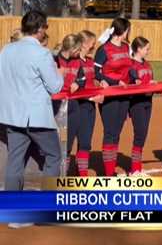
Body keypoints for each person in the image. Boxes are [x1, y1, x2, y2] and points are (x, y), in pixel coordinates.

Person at [0, 10, 64, 193]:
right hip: (36, 117)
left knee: (15, 160)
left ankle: (13, 210)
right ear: (39, 29)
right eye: (44, 27)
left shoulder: (6, 50)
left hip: (11, 115)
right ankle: (45, 206)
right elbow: (55, 87)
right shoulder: (42, 53)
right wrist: (59, 75)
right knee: (53, 156)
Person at [94, 18, 132, 176]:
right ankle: (108, 172)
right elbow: (97, 72)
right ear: (122, 31)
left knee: (116, 131)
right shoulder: (104, 49)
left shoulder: (126, 47)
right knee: (110, 132)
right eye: (128, 30)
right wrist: (114, 81)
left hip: (124, 94)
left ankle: (111, 167)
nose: (128, 33)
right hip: (110, 94)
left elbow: (130, 68)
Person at [68, 30, 99, 176]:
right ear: (84, 44)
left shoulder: (90, 61)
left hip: (89, 106)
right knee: (68, 144)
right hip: (74, 106)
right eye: (92, 43)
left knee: (85, 142)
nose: (94, 46)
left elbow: (96, 79)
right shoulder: (73, 62)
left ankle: (82, 175)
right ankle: (64, 174)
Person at [128, 37, 156, 176]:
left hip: (148, 101)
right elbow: (133, 82)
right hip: (136, 103)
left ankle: (137, 168)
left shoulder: (147, 64)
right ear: (138, 49)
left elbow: (150, 81)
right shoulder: (131, 65)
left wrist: (159, 87)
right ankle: (134, 169)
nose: (148, 51)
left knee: (143, 134)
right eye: (146, 48)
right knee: (139, 134)